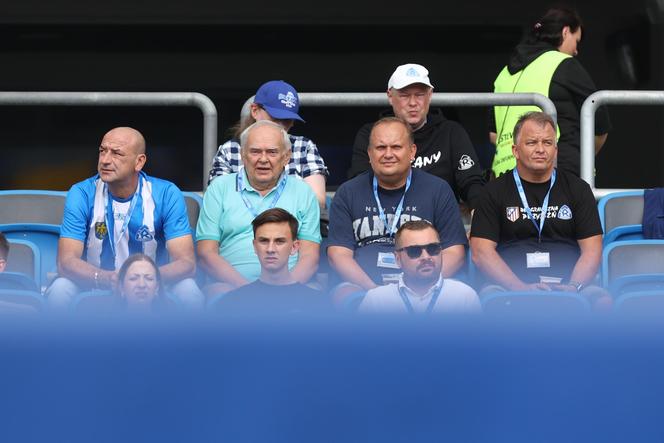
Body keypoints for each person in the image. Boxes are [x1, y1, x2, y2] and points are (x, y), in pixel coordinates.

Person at [46, 127, 203, 310]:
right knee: (60, 289)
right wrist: (106, 278)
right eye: (102, 151)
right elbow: (66, 262)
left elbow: (186, 263)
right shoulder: (81, 193)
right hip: (95, 281)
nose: (105, 160)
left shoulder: (166, 194)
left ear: (139, 162)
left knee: (190, 291)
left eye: (116, 153)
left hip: (151, 283)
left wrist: (142, 278)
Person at [471, 112, 610, 308]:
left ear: (556, 150)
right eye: (531, 143)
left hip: (568, 284)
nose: (540, 149)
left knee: (602, 301)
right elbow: (480, 252)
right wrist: (518, 287)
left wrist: (573, 286)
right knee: (490, 301)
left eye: (547, 142)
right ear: (515, 150)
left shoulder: (578, 189)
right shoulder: (493, 191)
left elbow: (593, 250)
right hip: (508, 287)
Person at [328, 117, 468, 300]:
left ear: (412, 152)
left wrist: (420, 287)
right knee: (342, 294)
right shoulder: (348, 192)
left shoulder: (438, 190)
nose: (388, 154)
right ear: (369, 154)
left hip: (425, 287)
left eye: (396, 147)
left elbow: (454, 252)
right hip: (363, 289)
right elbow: (338, 255)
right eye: (380, 148)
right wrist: (376, 293)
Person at [196, 120, 321, 296]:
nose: (263, 159)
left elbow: (310, 257)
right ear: (243, 155)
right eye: (255, 151)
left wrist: (285, 290)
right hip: (230, 286)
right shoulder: (219, 188)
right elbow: (206, 254)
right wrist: (249, 291)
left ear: (286, 157)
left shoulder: (303, 192)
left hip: (290, 286)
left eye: (272, 152)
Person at [489, 5, 611, 178]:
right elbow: (600, 123)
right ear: (565, 32)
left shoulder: (504, 74)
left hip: (506, 178)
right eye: (576, 41)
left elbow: (493, 135)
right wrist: (584, 158)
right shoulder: (564, 63)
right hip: (557, 175)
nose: (576, 51)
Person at [347, 63, 485, 210]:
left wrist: (480, 216)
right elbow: (359, 184)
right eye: (404, 95)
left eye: (419, 95)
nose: (413, 103)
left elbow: (472, 183)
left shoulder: (450, 132)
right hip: (384, 219)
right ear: (390, 96)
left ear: (430, 95)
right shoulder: (371, 134)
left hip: (439, 220)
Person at [208, 80, 329, 209]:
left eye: (287, 120)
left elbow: (317, 200)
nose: (280, 126)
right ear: (254, 110)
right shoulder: (229, 150)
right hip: (240, 228)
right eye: (275, 118)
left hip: (295, 226)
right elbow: (217, 201)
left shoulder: (304, 147)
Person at [212, 208, 329, 315]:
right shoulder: (231, 303)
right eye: (264, 241)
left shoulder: (318, 304)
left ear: (294, 247)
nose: (270, 249)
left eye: (279, 241)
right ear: (254, 246)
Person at [360, 220, 480, 314]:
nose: (426, 257)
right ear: (398, 259)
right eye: (414, 251)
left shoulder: (464, 297)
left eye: (433, 249)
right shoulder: (376, 301)